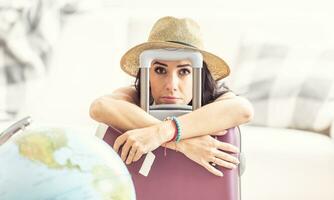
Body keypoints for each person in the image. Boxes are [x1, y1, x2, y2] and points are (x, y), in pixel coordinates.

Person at [89, 16, 253, 177]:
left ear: (200, 76)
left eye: (184, 71)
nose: (171, 85)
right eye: (160, 70)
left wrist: (161, 133)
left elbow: (243, 110)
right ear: (147, 73)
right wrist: (183, 144)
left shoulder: (215, 99)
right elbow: (100, 107)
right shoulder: (137, 95)